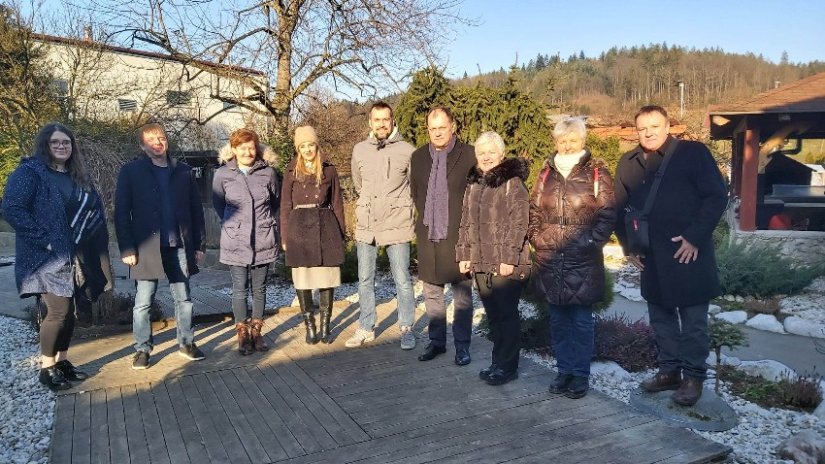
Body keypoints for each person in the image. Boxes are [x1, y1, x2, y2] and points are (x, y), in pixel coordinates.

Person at [614, 105, 727, 406]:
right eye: (642, 128)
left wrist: (694, 236)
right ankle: (669, 371)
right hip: (650, 254)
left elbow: (717, 196)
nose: (649, 132)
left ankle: (693, 377)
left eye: (655, 126)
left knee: (693, 321)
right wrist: (628, 247)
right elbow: (619, 210)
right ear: (635, 131)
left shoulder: (692, 153)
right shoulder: (628, 163)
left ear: (668, 126)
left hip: (687, 251)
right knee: (661, 317)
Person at [2, 122, 112, 390]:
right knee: (58, 311)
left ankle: (62, 362)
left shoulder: (76, 175)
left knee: (70, 312)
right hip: (44, 258)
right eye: (56, 142)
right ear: (45, 145)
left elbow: (90, 210)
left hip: (74, 255)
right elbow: (12, 208)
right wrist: (46, 241)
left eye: (66, 142)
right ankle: (46, 368)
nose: (62, 147)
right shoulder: (31, 172)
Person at [528, 117, 616, 399]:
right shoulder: (546, 174)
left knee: (580, 321)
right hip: (550, 258)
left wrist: (592, 241)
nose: (567, 145)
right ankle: (563, 370)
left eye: (572, 140)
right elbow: (533, 211)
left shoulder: (596, 172)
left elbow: (608, 212)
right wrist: (536, 238)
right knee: (557, 320)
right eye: (562, 140)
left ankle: (580, 375)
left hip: (583, 259)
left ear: (582, 141)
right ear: (556, 142)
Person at [115, 123, 206, 370]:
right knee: (143, 302)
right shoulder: (130, 172)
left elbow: (196, 212)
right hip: (146, 247)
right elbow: (122, 213)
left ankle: (186, 343)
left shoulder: (183, 172)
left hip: (179, 247)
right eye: (151, 139)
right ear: (142, 146)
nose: (158, 142)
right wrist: (127, 249)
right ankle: (142, 349)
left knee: (184, 299)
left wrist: (198, 244)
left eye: (161, 137)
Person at [456, 131, 531, 386]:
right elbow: (465, 223)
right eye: (481, 152)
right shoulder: (474, 184)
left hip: (505, 263)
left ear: (501, 153)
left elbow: (520, 224)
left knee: (506, 315)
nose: (486, 156)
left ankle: (508, 367)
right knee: (494, 316)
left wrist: (509, 258)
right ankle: (497, 363)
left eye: (491, 151)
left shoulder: (513, 183)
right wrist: (464, 255)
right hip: (480, 262)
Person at [347, 101, 417, 350]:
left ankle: (407, 327)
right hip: (367, 223)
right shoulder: (359, 150)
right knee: (365, 278)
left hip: (397, 223)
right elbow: (358, 184)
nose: (381, 124)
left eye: (385, 119)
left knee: (402, 279)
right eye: (376, 120)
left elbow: (414, 186)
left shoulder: (407, 150)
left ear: (392, 120)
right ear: (370, 122)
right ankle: (366, 327)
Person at [410, 106, 477, 365]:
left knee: (461, 295)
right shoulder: (418, 158)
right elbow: (416, 194)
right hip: (429, 234)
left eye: (442, 127)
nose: (437, 133)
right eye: (432, 128)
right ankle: (437, 341)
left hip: (458, 234)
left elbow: (474, 198)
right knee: (431, 292)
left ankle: (463, 346)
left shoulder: (469, 155)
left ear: (453, 126)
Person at [212, 128, 280, 355]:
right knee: (239, 288)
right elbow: (219, 204)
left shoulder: (268, 173)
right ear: (234, 149)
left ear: (257, 149)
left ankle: (257, 331)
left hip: (262, 237)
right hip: (236, 239)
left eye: (251, 147)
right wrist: (232, 225)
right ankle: (242, 333)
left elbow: (275, 203)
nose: (248, 152)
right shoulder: (222, 174)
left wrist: (265, 222)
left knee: (259, 289)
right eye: (243, 148)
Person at [280, 125, 345, 345]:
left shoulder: (329, 170)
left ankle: (326, 324)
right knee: (303, 280)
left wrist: (341, 234)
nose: (308, 150)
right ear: (298, 148)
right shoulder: (291, 171)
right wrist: (285, 237)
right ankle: (310, 324)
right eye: (303, 146)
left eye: (311, 145)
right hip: (298, 229)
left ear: (317, 145)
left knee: (327, 278)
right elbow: (285, 205)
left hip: (325, 227)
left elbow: (337, 203)